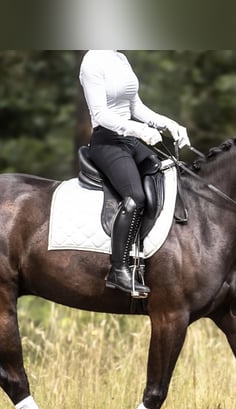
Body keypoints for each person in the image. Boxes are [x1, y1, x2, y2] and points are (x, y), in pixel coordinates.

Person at [79, 50, 190, 297]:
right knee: (135, 197)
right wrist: (138, 131)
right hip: (106, 142)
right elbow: (100, 114)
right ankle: (118, 270)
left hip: (129, 140)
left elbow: (135, 106)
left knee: (164, 172)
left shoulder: (120, 58)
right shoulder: (93, 61)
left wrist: (167, 124)